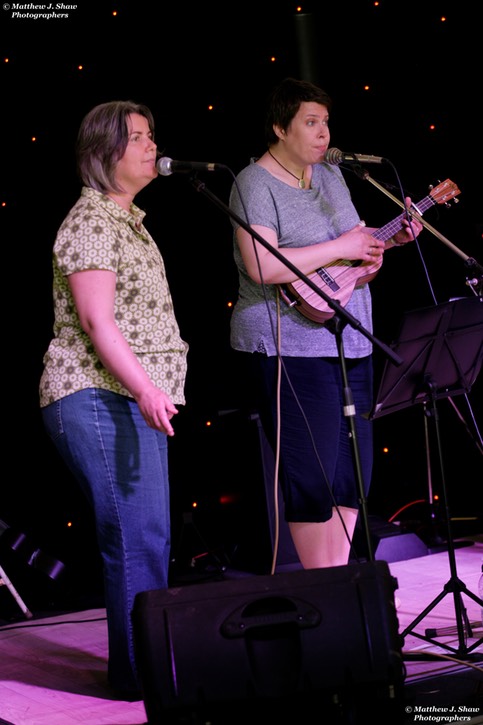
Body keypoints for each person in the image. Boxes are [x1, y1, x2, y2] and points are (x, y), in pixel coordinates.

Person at [228, 77, 423, 571]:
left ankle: (341, 580)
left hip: (350, 338)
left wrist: (382, 249)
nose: (323, 133)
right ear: (279, 127)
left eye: (326, 122)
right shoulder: (253, 183)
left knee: (352, 472)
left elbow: (353, 252)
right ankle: (327, 592)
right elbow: (263, 266)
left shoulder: (331, 177)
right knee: (312, 473)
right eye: (310, 123)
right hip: (288, 345)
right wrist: (344, 248)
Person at [39, 100, 188, 699]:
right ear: (105, 153)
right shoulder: (92, 222)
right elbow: (99, 324)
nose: (152, 146)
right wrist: (148, 388)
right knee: (135, 535)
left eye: (152, 135)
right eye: (139, 138)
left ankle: (147, 667)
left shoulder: (129, 221)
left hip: (128, 397)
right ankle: (140, 678)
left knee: (149, 533)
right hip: (98, 394)